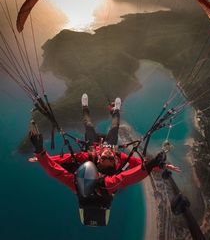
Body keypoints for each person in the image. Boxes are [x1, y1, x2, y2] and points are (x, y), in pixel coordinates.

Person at [29, 94, 180, 225]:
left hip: (93, 145)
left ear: (98, 162)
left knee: (88, 125)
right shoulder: (114, 169)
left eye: (105, 156)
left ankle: (85, 107)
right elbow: (136, 172)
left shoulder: (88, 160)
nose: (108, 153)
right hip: (106, 148)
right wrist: (160, 165)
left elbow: (58, 168)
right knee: (114, 127)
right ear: (114, 161)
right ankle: (115, 110)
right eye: (110, 156)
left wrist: (41, 154)